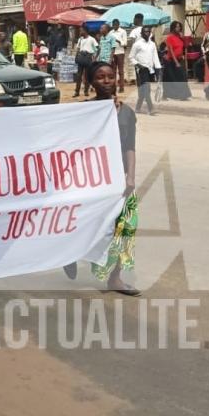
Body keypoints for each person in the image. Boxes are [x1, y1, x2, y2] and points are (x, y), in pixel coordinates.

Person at [65, 62, 139, 296]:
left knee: (125, 227)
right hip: (91, 179)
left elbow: (130, 147)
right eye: (100, 77)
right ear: (91, 82)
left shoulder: (127, 112)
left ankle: (115, 279)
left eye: (110, 76)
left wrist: (131, 177)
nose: (106, 81)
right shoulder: (84, 111)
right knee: (85, 223)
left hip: (118, 180)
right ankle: (68, 253)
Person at [129, 25, 161, 115]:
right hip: (141, 70)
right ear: (141, 33)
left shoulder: (152, 44)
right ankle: (151, 109)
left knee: (143, 90)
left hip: (150, 70)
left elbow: (155, 58)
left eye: (148, 32)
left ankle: (137, 108)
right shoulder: (137, 44)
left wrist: (158, 70)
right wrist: (138, 65)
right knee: (147, 89)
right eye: (145, 32)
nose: (147, 33)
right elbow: (131, 57)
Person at [162, 21, 192, 101]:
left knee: (183, 77)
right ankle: (165, 94)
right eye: (176, 27)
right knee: (170, 78)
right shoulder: (169, 37)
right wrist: (176, 63)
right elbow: (171, 51)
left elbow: (185, 46)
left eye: (179, 27)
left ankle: (183, 95)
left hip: (179, 59)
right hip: (171, 60)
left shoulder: (179, 37)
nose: (178, 28)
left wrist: (183, 38)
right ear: (173, 28)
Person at [73, 27, 98, 98]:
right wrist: (76, 56)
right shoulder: (80, 39)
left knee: (87, 75)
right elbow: (78, 48)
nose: (80, 32)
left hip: (88, 57)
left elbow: (97, 48)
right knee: (78, 76)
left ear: (86, 31)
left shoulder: (92, 39)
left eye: (81, 30)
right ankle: (76, 91)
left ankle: (86, 91)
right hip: (81, 57)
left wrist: (94, 57)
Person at [108, 19, 128, 93]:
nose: (115, 26)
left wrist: (118, 41)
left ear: (119, 24)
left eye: (116, 24)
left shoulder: (123, 31)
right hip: (113, 53)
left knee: (121, 71)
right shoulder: (110, 33)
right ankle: (113, 87)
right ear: (112, 25)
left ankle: (121, 87)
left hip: (120, 52)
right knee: (113, 71)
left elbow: (125, 43)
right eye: (114, 25)